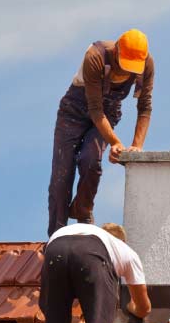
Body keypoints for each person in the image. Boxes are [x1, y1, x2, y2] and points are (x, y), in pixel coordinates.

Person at [48, 29, 154, 237]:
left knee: (91, 159)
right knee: (62, 176)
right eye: (124, 65)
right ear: (116, 51)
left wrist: (136, 146)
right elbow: (95, 109)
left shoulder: (146, 64)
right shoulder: (95, 56)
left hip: (108, 112)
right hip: (74, 112)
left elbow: (145, 107)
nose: (126, 72)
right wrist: (115, 142)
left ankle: (83, 211)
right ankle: (56, 236)